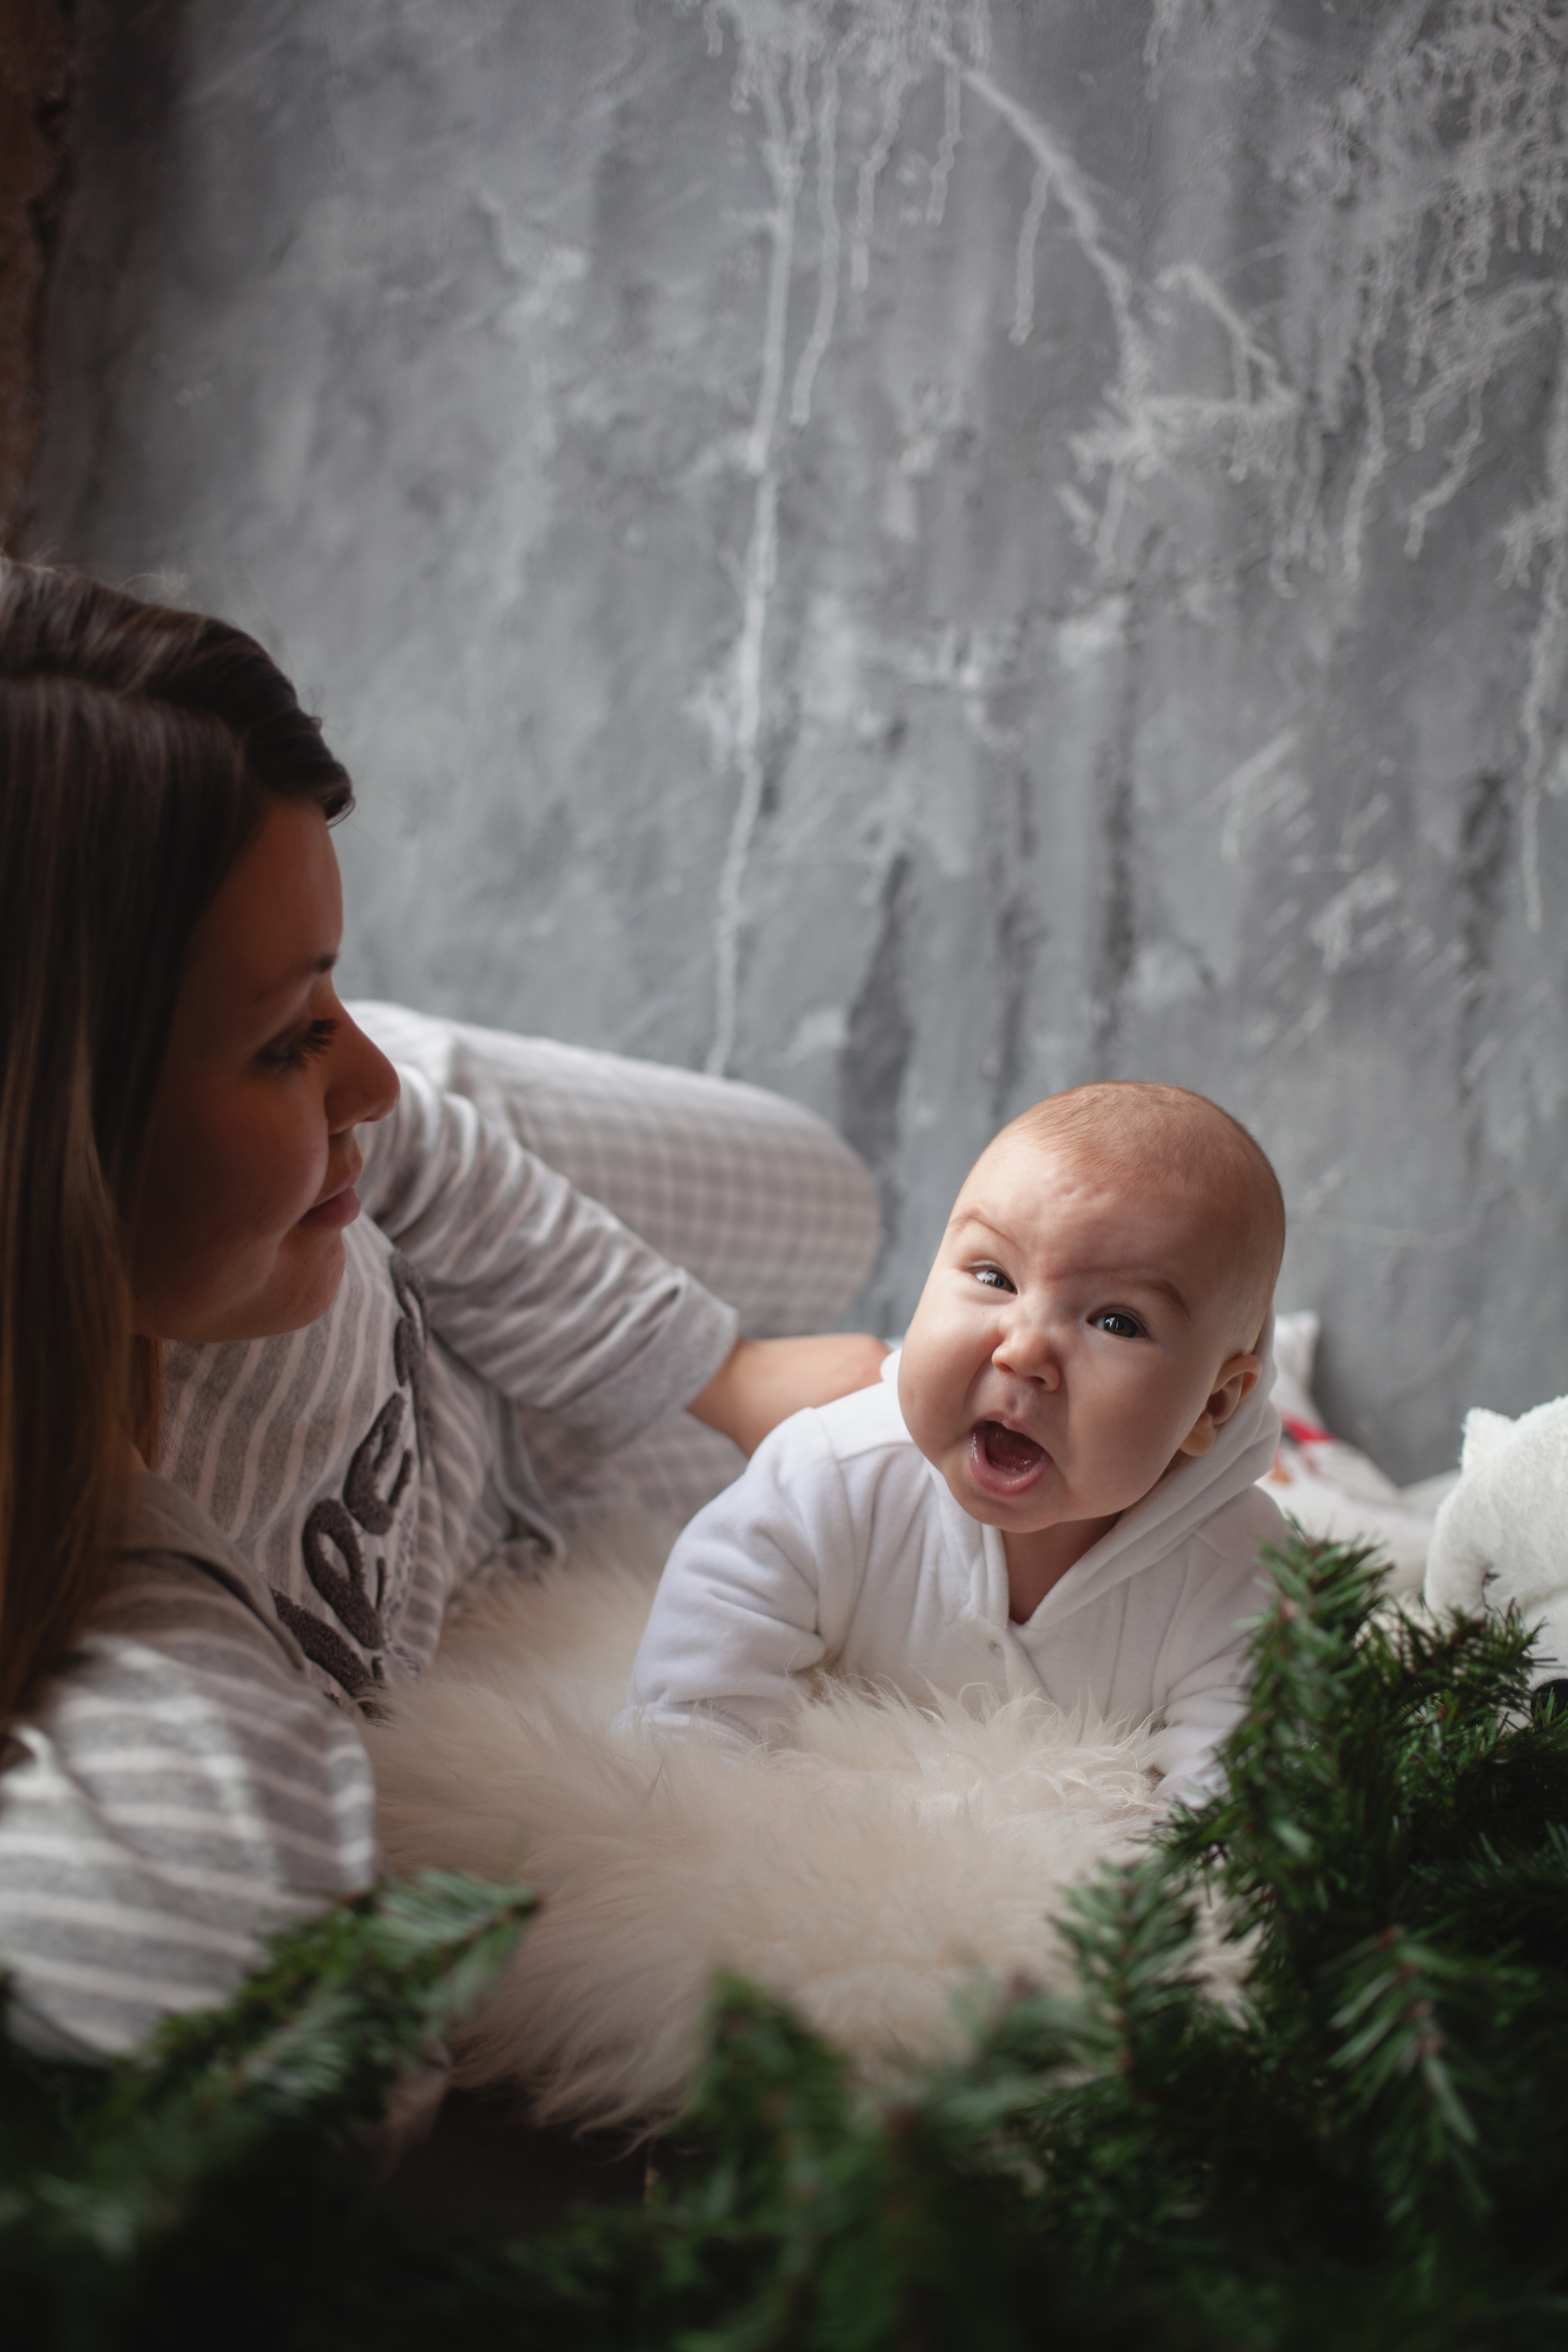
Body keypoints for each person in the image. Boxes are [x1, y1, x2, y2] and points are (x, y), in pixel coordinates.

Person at [0, 559, 884, 2059]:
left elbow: (389, 1125)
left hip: (448, 1234)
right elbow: (306, 2073)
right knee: (844, 1515)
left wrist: (724, 1367)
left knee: (832, 1199)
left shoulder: (359, 1128)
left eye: (324, 1004)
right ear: (57, 1141)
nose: (360, 1077)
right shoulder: (129, 1620)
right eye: (287, 1039)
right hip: (498, 1536)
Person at [621, 1083, 1289, 1804]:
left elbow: (1238, 1823)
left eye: (1117, 1323)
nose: (1023, 1351)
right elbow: (688, 1722)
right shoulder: (832, 1475)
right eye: (993, 1276)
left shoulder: (1240, 1575)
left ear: (1213, 1405)